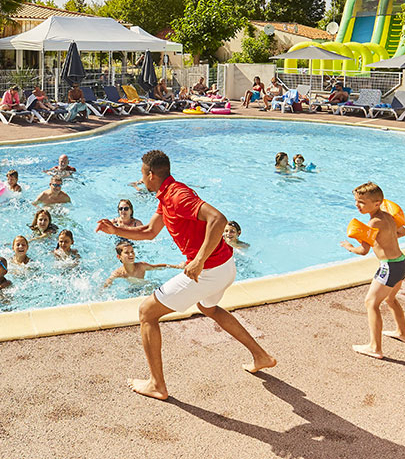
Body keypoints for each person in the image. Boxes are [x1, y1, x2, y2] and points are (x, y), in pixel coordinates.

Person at [95, 149, 275, 399]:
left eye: (142, 174)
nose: (141, 178)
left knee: (147, 312)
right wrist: (115, 230)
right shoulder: (166, 196)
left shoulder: (177, 196)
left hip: (209, 270)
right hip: (224, 266)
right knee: (209, 308)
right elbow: (148, 231)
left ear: (150, 174)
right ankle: (261, 355)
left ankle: (157, 385)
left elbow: (218, 219)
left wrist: (199, 260)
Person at [341, 182, 405, 359]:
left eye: (362, 202)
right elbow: (403, 232)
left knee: (371, 303)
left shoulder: (373, 223)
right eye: (356, 201)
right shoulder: (387, 216)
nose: (357, 205)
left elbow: (363, 251)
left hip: (390, 267)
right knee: (390, 299)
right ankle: (402, 333)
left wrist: (349, 247)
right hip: (402, 263)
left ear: (377, 203)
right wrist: (385, 238)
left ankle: (375, 348)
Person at [103, 241, 179, 288]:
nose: (131, 254)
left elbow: (159, 267)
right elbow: (108, 282)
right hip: (132, 290)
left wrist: (177, 266)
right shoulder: (119, 273)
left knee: (152, 285)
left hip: (145, 287)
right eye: (126, 253)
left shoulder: (141, 266)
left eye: (132, 251)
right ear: (119, 257)